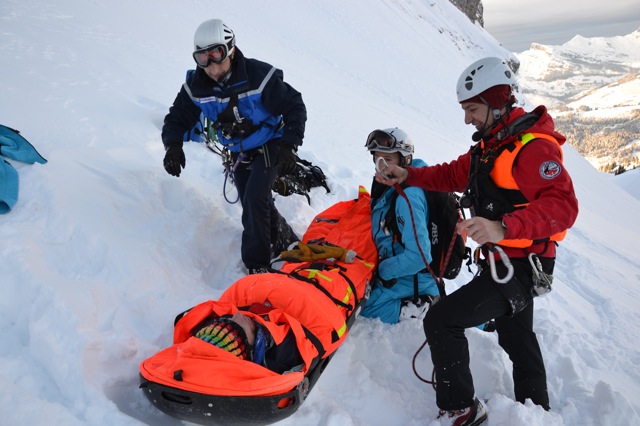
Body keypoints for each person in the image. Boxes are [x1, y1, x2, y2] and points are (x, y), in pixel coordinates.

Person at [375, 57, 579, 424]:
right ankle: (537, 411)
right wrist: (408, 175)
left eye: (472, 109)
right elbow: (450, 175)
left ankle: (460, 411)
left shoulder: (531, 149)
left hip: (519, 268)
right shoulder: (492, 146)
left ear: (496, 102)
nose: (467, 119)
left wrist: (502, 228)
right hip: (506, 264)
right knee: (516, 337)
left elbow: (563, 207)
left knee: (441, 321)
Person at [161, 19, 306, 274]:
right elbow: (177, 117)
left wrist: (289, 146)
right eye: (202, 58)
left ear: (231, 49)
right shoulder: (197, 87)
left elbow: (294, 105)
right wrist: (173, 145)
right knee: (253, 200)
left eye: (216, 54)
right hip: (239, 150)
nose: (212, 67)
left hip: (270, 142)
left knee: (255, 196)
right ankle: (284, 238)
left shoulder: (259, 77)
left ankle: (257, 265)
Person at [360, 128, 440, 324]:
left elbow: (419, 257)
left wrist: (383, 271)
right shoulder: (395, 185)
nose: (381, 166)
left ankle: (424, 308)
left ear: (405, 160)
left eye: (388, 159)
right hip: (402, 267)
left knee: (363, 306)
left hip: (412, 277)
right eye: (377, 158)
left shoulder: (408, 198)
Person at [193, 310, 303, 374]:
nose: (238, 315)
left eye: (229, 320)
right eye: (238, 328)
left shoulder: (211, 319)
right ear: (250, 350)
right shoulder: (283, 352)